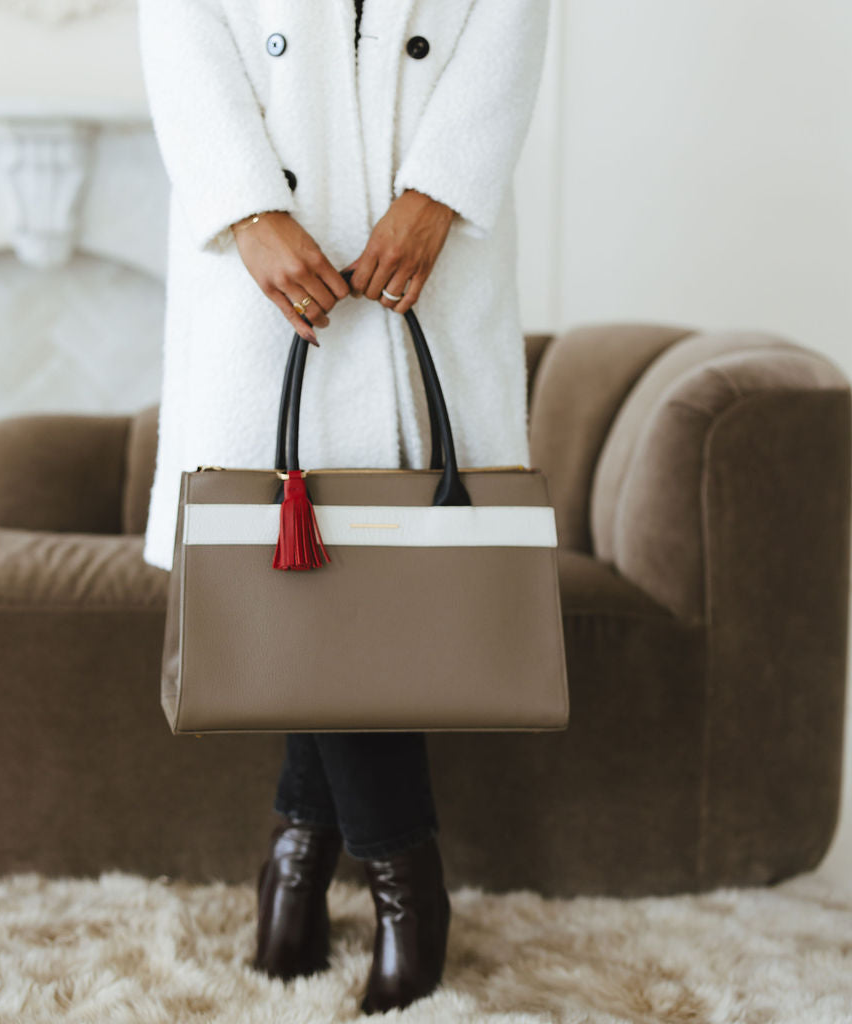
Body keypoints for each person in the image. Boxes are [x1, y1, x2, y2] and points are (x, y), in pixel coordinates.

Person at [137, 0, 550, 1013]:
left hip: (424, 263)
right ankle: (406, 883)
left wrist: (437, 193)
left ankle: (295, 867)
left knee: (348, 595)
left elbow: (508, 27)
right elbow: (183, 41)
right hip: (266, 280)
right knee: (321, 588)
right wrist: (247, 208)